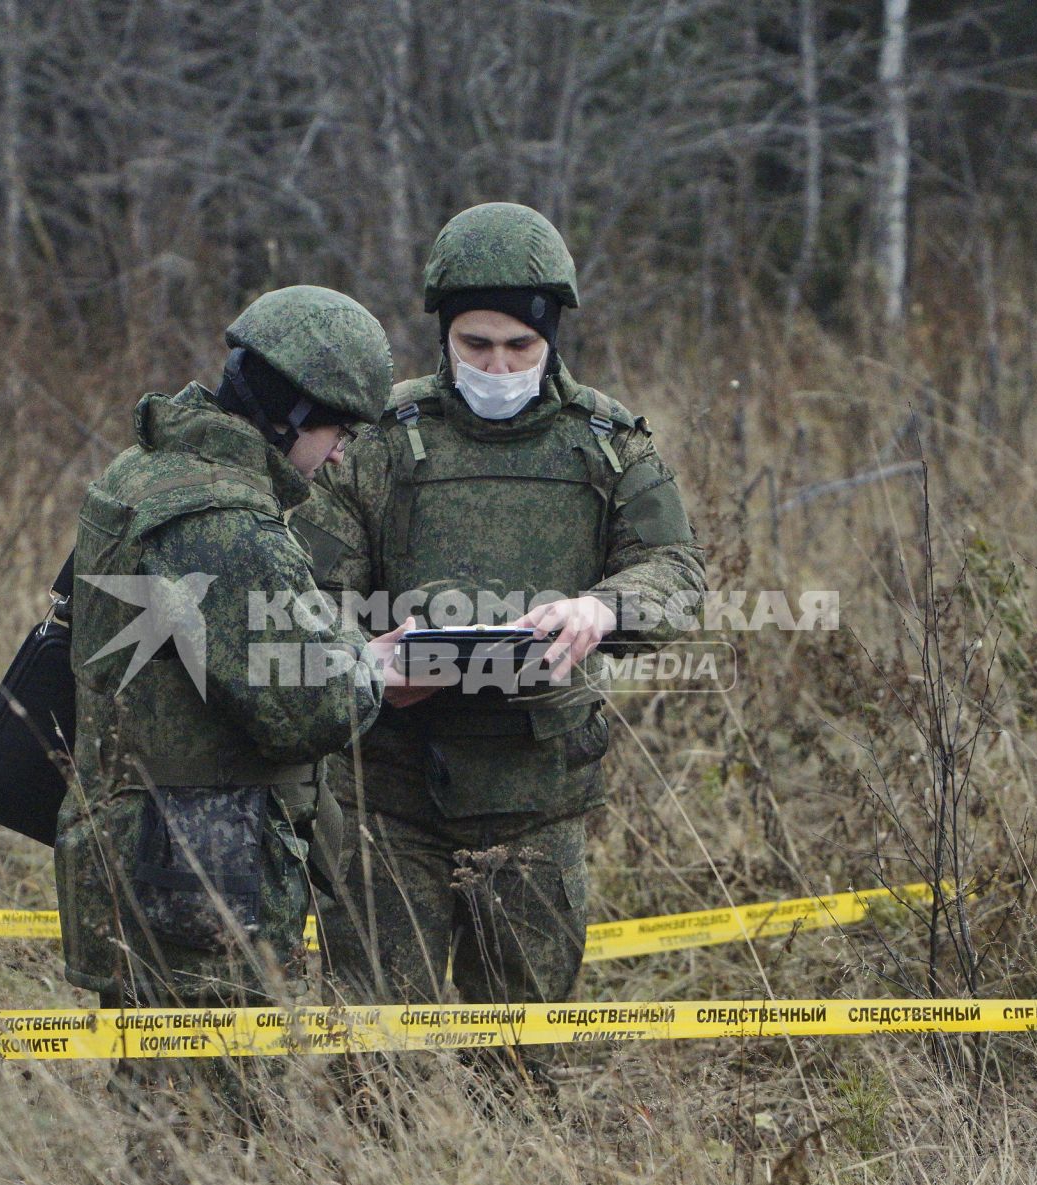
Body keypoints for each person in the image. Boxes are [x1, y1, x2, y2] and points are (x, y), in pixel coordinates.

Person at [293, 203, 707, 1032]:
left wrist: (602, 608)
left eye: (521, 345)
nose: (498, 364)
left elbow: (678, 573)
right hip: (389, 785)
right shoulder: (376, 441)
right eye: (475, 344)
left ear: (552, 338)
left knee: (521, 1054)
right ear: (442, 334)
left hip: (537, 787)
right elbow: (309, 598)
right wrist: (373, 660)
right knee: (374, 1048)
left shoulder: (607, 442)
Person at [53, 284, 415, 1124]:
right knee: (212, 1128)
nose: (337, 459)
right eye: (336, 432)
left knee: (166, 1108)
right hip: (197, 865)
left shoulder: (145, 470)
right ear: (290, 412)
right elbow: (307, 709)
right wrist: (376, 673)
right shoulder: (225, 520)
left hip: (147, 838)